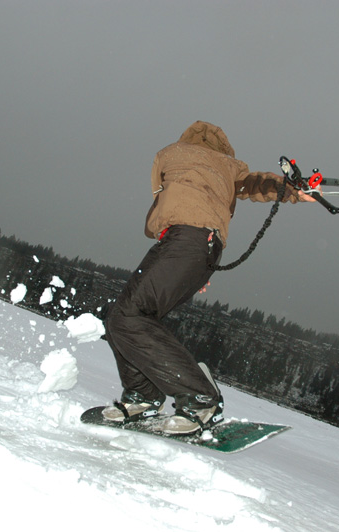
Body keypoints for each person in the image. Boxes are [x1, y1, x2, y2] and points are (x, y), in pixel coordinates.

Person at [102, 120, 315, 434]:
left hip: (184, 240)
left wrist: (165, 233)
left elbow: (159, 199)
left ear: (186, 139)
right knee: (127, 316)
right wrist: (295, 189)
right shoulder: (229, 165)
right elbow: (256, 184)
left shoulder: (170, 153)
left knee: (127, 316)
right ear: (223, 146)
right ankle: (143, 395)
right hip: (201, 247)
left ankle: (196, 397)